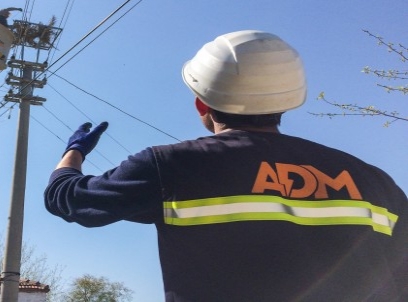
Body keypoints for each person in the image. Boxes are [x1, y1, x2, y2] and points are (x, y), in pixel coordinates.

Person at [44, 30, 408, 301]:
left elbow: (66, 198)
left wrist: (74, 152)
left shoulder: (170, 167)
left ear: (202, 105)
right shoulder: (375, 181)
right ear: (287, 100)